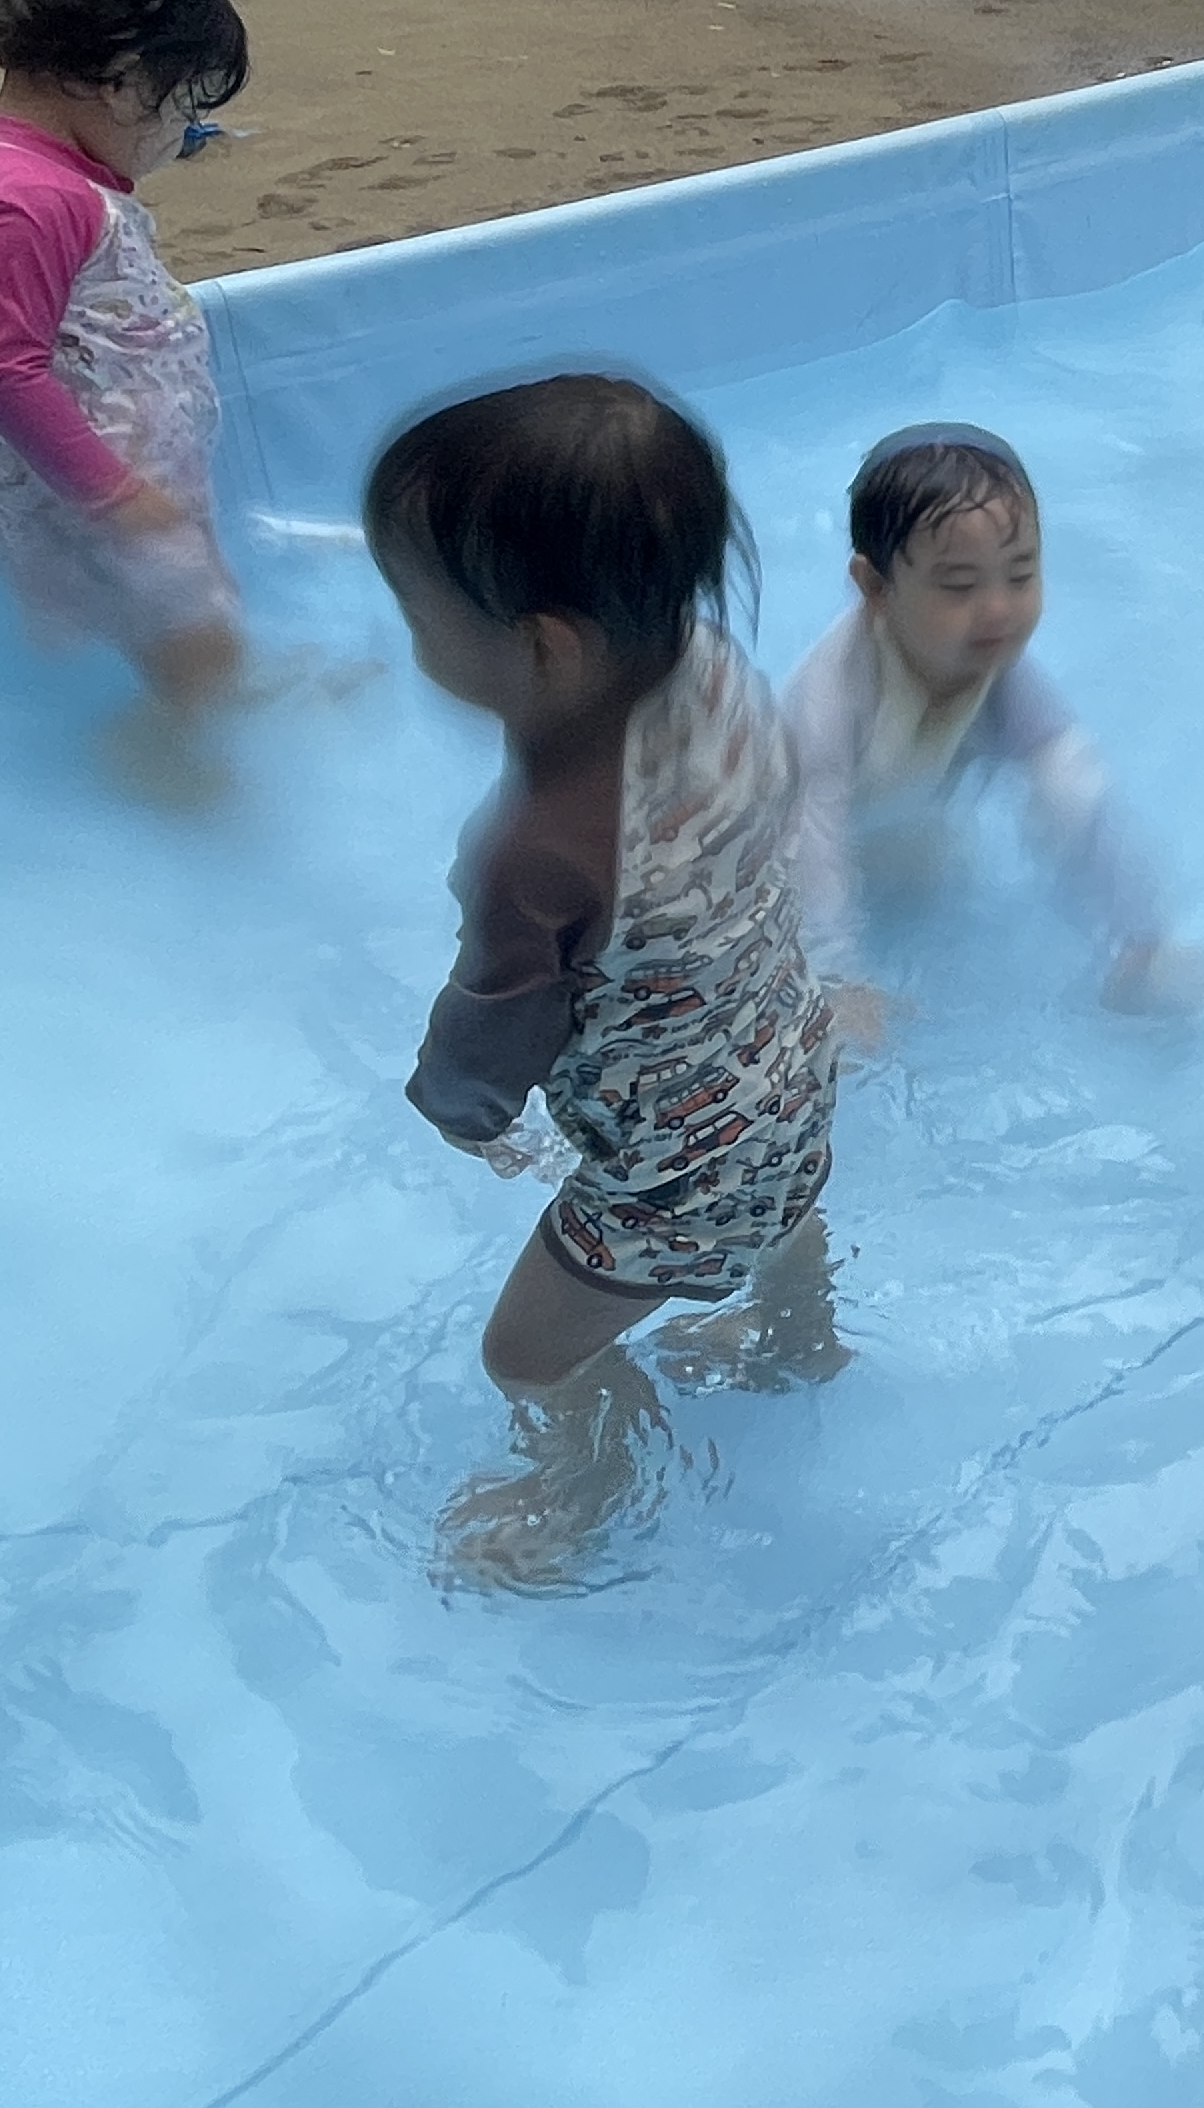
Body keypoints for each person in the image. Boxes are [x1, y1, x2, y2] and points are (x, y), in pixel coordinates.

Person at [371, 375, 843, 1588]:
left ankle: (585, 1488)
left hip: (672, 1175)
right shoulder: (715, 671)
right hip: (789, 1066)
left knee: (527, 1356)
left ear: (543, 647)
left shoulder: (543, 852)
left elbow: (493, 1031)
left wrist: (460, 1114)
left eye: (419, 614)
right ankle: (801, 1339)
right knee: (778, 1210)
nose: (412, 639)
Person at [0, 0, 250, 791]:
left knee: (184, 636)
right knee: (202, 644)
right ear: (120, 82)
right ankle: (162, 767)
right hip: (100, 490)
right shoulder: (27, 199)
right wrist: (112, 494)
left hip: (116, 479)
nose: (179, 135)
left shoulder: (49, 177)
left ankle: (181, 717)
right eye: (181, 107)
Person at [781, 421, 1192, 1035]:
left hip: (916, 847)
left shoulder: (1001, 676)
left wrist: (1138, 938)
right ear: (875, 588)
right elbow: (809, 840)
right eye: (959, 585)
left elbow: (1076, 795)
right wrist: (837, 979)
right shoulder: (831, 698)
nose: (998, 609)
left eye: (1020, 575)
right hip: (796, 868)